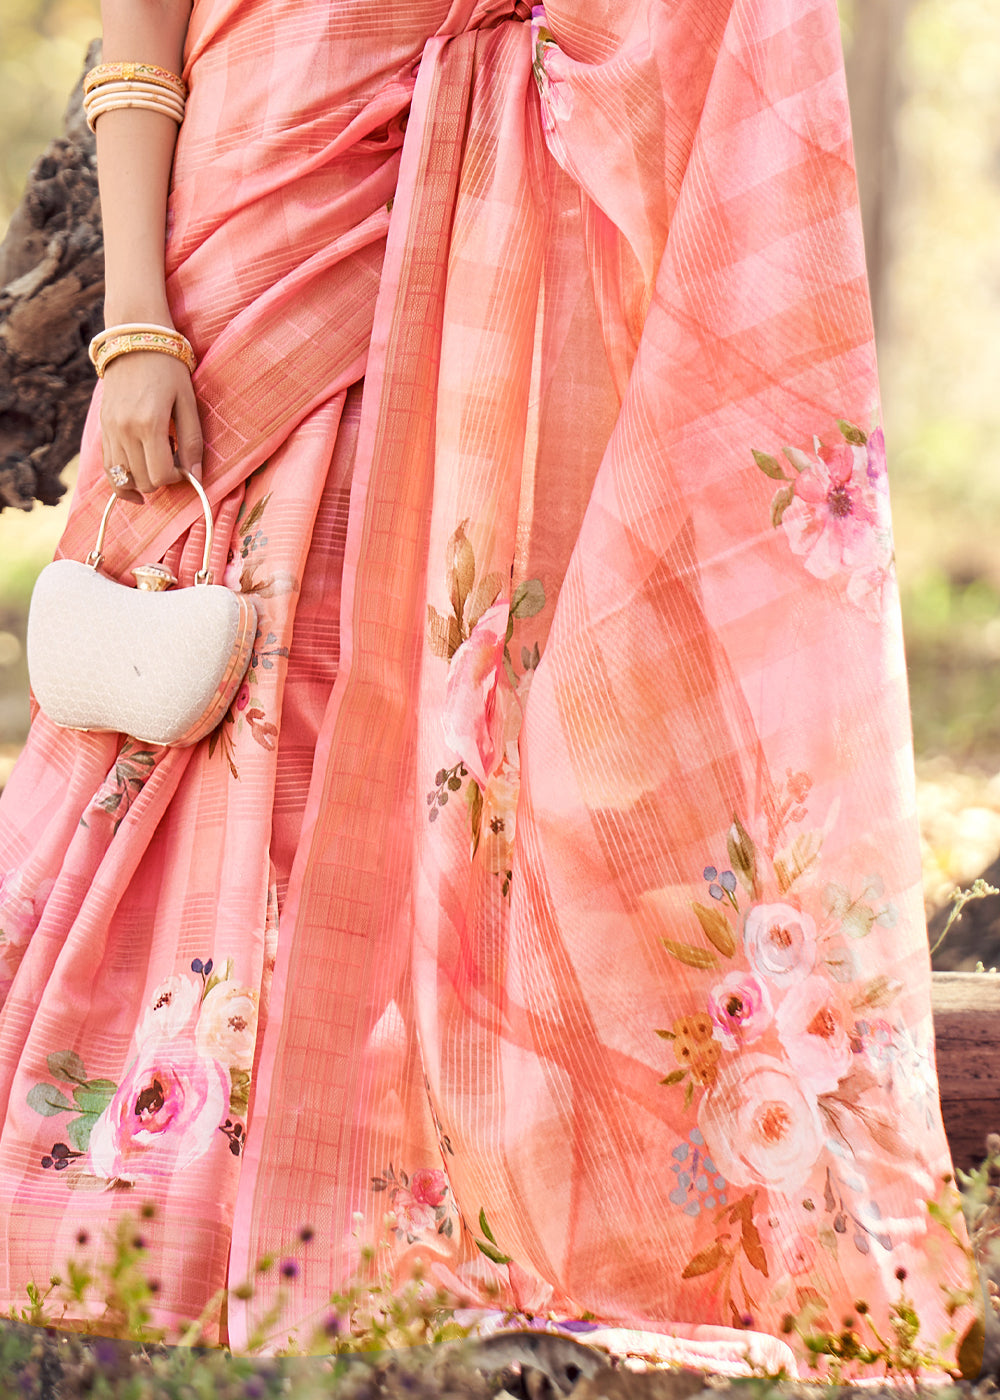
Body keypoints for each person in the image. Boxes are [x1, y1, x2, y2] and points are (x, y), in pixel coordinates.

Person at [0, 0, 984, 1374]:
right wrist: (136, 331)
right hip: (239, 257)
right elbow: (139, 52)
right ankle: (131, 1203)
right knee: (187, 701)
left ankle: (349, 1213)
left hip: (441, 259)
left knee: (374, 717)